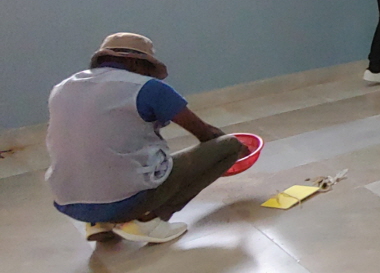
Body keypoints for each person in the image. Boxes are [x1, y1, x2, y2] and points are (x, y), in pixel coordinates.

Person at [45, 33, 246, 245]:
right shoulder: (147, 88)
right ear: (140, 63)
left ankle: (98, 223)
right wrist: (240, 151)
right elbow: (206, 134)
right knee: (229, 146)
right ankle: (146, 220)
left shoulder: (62, 88)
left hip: (68, 201)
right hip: (123, 201)